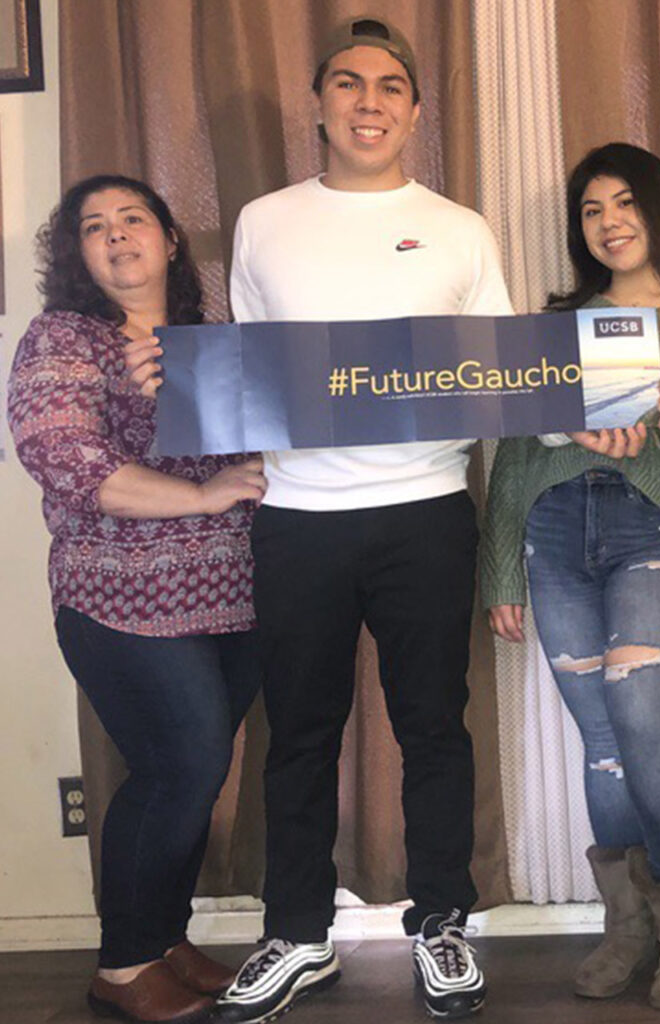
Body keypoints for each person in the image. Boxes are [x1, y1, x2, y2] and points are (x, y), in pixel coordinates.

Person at [130, 17, 513, 1024]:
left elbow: (503, 379)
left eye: (390, 86)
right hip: (296, 518)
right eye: (348, 83)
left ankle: (442, 923)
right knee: (297, 733)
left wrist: (589, 401)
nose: (369, 101)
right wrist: (181, 381)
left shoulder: (462, 228)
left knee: (434, 725)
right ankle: (299, 933)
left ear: (416, 110)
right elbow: (253, 369)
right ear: (317, 102)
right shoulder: (262, 221)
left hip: (428, 511)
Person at [481, 142, 660, 1011]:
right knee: (601, 740)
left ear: (659, 207)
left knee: (641, 713)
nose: (609, 223)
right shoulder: (553, 328)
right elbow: (513, 455)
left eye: (623, 203)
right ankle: (628, 925)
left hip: (658, 526)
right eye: (591, 210)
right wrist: (500, 568)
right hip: (556, 528)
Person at [7, 174, 267, 1024]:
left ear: (167, 238)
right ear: (76, 253)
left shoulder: (214, 338)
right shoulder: (65, 338)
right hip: (119, 600)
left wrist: (200, 408)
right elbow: (63, 458)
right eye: (94, 227)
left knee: (197, 776)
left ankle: (163, 936)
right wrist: (198, 495)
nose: (117, 236)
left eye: (133, 220)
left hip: (233, 599)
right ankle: (121, 966)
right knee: (178, 767)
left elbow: (264, 448)